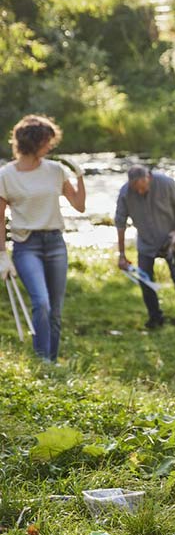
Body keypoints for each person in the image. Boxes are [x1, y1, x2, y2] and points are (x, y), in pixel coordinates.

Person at [0, 115, 85, 361]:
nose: (50, 146)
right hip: (27, 246)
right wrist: (2, 255)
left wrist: (79, 176)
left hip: (55, 243)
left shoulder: (55, 170)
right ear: (32, 142)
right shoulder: (6, 175)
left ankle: (52, 360)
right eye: (47, 141)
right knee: (42, 302)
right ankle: (42, 358)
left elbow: (79, 206)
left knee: (56, 310)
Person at [114, 165, 175, 334]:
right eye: (137, 189)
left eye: (143, 188)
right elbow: (120, 223)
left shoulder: (166, 183)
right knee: (145, 280)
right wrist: (121, 255)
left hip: (171, 240)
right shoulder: (125, 193)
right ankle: (155, 318)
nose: (140, 192)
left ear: (148, 178)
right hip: (146, 243)